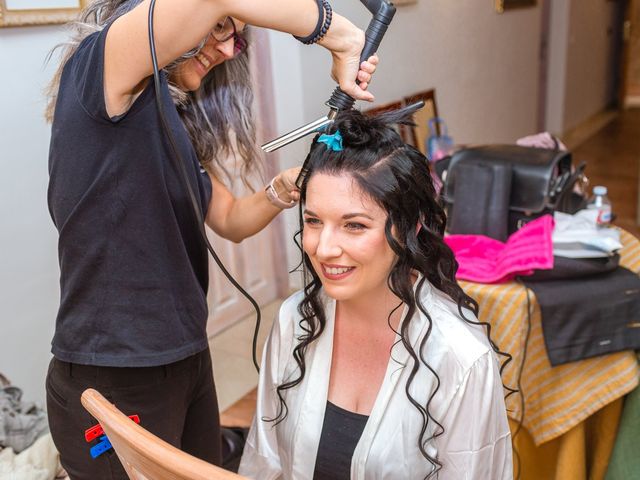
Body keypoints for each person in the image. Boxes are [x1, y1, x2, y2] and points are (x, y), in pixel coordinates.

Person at [44, 0, 378, 477]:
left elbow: (231, 219)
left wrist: (279, 190)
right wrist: (339, 33)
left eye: (237, 36)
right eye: (221, 26)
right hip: (116, 369)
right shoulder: (101, 69)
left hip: (184, 355)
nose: (226, 47)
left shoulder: (165, 121)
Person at [239, 109, 513, 479]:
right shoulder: (296, 320)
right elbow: (264, 461)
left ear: (410, 227)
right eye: (314, 221)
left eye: (354, 225)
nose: (323, 248)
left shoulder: (460, 359)